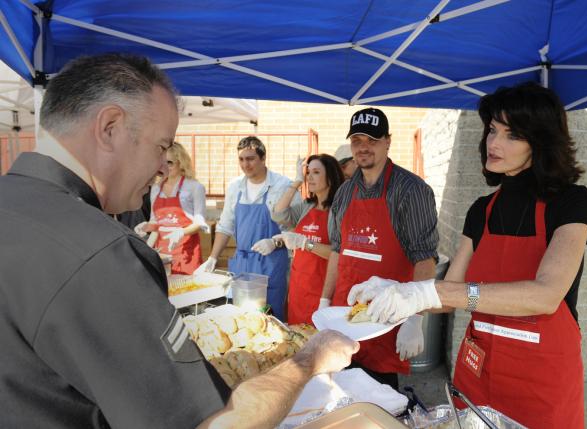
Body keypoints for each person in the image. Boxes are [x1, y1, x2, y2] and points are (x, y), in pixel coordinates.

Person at [0, 53, 359, 429]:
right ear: (109, 127)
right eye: (161, 146)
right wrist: (309, 360)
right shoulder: (100, 255)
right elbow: (213, 424)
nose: (161, 167)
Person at [348, 82, 587, 429]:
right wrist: (398, 289)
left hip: (540, 380)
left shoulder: (571, 202)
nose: (493, 143)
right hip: (478, 370)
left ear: (540, 143)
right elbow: (449, 295)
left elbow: (546, 294)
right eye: (493, 129)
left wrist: (432, 292)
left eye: (512, 135)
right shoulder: (482, 210)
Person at [320, 107, 440, 390]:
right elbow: (337, 251)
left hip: (386, 322)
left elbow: (425, 258)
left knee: (381, 406)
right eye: (357, 140)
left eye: (372, 140)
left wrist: (415, 319)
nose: (363, 147)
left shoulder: (412, 190)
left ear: (388, 141)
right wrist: (324, 303)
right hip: (344, 319)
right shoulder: (345, 192)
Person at [195, 136, 300, 321]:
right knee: (242, 320)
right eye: (241, 159)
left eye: (250, 158)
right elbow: (225, 225)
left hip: (272, 264)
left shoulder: (282, 185)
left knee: (271, 320)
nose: (245, 164)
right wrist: (212, 258)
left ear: (263, 158)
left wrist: (275, 242)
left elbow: (299, 227)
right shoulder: (235, 187)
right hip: (242, 264)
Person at [271, 153, 345, 325]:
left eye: (316, 172)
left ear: (331, 177)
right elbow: (278, 214)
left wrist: (305, 243)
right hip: (299, 290)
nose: (309, 177)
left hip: (322, 293)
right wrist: (296, 182)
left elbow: (338, 253)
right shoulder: (307, 206)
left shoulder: (337, 211)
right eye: (307, 172)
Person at [137, 142, 208, 274]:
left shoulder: (194, 187)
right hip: (162, 255)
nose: (165, 167)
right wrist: (146, 228)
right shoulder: (156, 188)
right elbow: (156, 224)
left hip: (186, 253)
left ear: (181, 162)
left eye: (170, 162)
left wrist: (181, 232)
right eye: (162, 162)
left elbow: (200, 224)